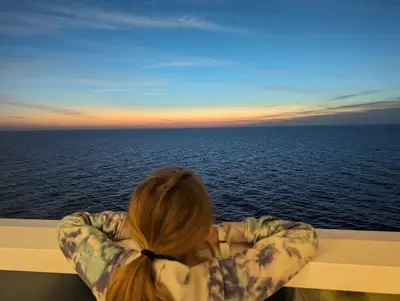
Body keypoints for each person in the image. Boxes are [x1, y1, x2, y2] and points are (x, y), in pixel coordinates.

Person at [57, 167, 318, 301]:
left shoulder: (111, 270)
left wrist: (141, 225)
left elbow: (71, 225)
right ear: (203, 231)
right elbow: (302, 237)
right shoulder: (223, 284)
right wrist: (230, 231)